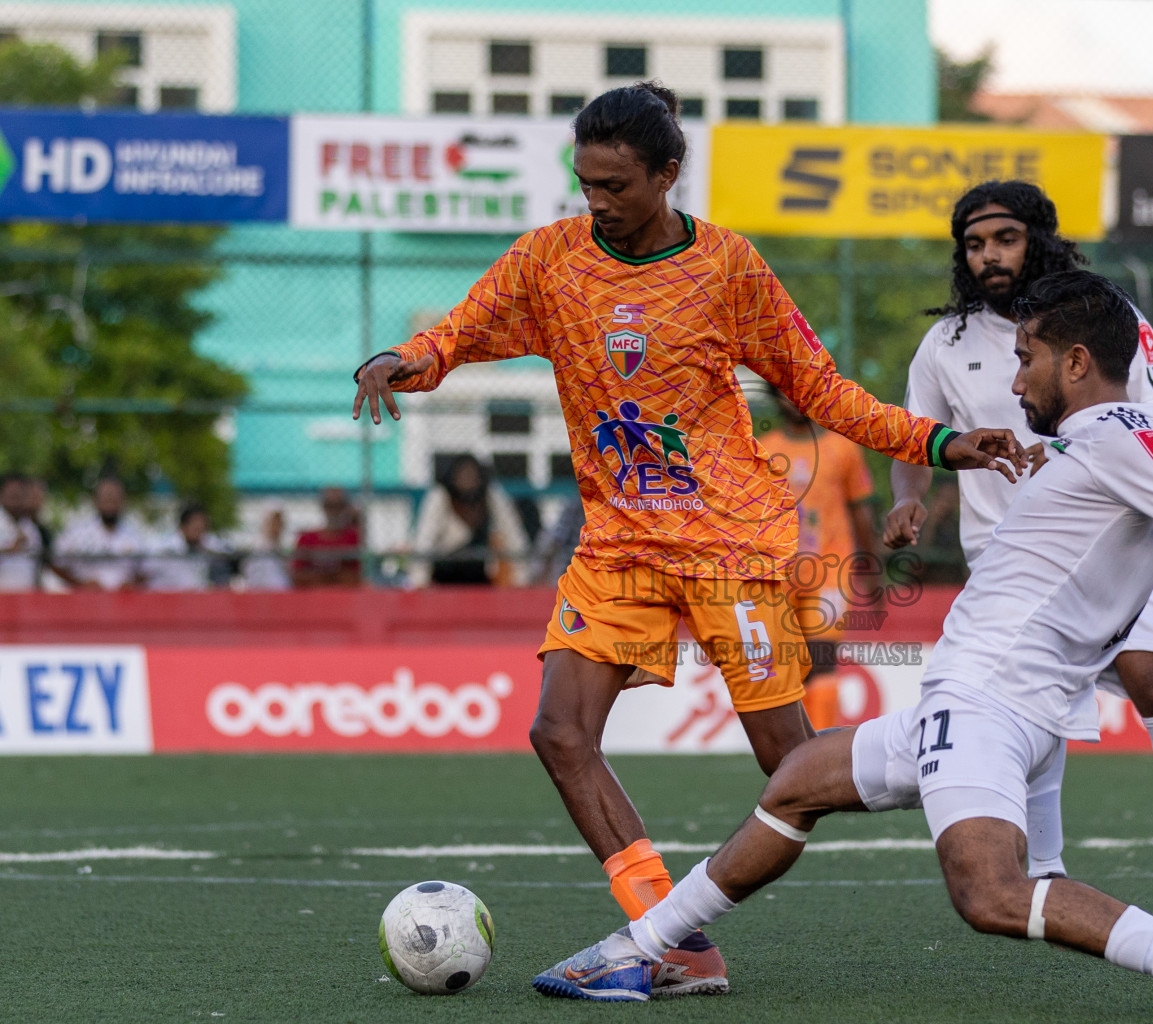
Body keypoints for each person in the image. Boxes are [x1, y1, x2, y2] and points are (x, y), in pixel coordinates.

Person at [533, 272, 1153, 1017]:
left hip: (987, 702)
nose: (1014, 383)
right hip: (976, 698)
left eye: (1027, 360)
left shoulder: (1120, 442)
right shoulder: (1132, 434)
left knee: (989, 894)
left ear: (1079, 361)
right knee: (797, 782)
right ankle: (634, 951)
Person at [350, 81, 1026, 996]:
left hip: (729, 546)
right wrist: (406, 360)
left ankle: (943, 759)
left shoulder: (729, 269)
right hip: (618, 546)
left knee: (793, 769)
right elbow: (463, 332)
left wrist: (940, 443)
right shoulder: (549, 259)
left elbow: (825, 392)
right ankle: (667, 938)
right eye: (585, 181)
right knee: (558, 731)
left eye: (616, 185)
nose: (597, 200)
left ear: (668, 174)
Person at [884, 178, 1153, 934]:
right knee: (1030, 703)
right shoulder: (945, 344)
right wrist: (907, 495)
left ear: (1039, 239)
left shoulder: (1111, 319)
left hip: (1117, 534)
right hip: (1007, 555)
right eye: (974, 244)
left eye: (1005, 238)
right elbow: (913, 436)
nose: (989, 255)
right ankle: (1047, 880)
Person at [756, 387, 883, 729]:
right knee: (785, 665)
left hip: (831, 570)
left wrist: (872, 570)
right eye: (785, 394)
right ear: (775, 399)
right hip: (777, 573)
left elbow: (861, 513)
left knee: (823, 660)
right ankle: (794, 747)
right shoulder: (763, 449)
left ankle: (820, 745)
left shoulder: (843, 448)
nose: (793, 401)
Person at [410, 455, 527, 587]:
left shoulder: (490, 494)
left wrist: (521, 578)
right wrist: (419, 581)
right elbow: (424, 540)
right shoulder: (440, 496)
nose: (467, 480)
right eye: (463, 475)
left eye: (472, 476)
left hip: (478, 571)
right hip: (444, 569)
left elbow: (513, 533)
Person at [56, 476, 149, 591]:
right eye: (105, 498)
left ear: (124, 501)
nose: (110, 503)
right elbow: (56, 564)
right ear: (95, 500)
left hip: (123, 603)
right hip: (85, 602)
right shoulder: (76, 534)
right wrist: (80, 585)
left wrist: (131, 585)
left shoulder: (136, 536)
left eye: (114, 498)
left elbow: (147, 571)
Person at [142, 503, 233, 591]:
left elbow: (229, 555)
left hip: (197, 600)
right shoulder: (163, 548)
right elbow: (143, 575)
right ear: (183, 526)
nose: (199, 530)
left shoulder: (210, 544)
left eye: (203, 527)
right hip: (167, 600)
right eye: (195, 526)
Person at [291, 488, 363, 588]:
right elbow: (297, 577)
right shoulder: (307, 539)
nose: (334, 511)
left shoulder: (353, 538)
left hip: (344, 597)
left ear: (345, 508)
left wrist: (319, 576)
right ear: (323, 507)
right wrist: (336, 575)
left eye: (339, 506)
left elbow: (356, 578)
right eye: (330, 506)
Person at [0, 472, 41, 591]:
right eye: (12, 495)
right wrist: (8, 550)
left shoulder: (30, 528)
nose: (16, 500)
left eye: (20, 495)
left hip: (24, 597)